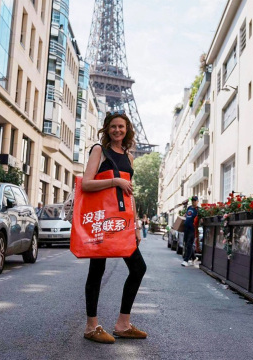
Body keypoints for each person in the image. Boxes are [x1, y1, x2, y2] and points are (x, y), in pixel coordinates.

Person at [81, 110, 147, 344]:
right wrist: (115, 180)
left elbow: (129, 195)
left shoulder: (128, 157)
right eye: (113, 127)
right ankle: (91, 327)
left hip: (122, 222)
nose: (117, 130)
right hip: (102, 221)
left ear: (127, 129)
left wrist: (136, 225)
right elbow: (86, 184)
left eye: (122, 127)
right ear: (107, 129)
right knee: (96, 271)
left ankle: (123, 324)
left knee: (138, 268)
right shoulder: (99, 150)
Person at [181, 196, 199, 267]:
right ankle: (194, 258)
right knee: (186, 243)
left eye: (195, 201)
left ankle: (186, 260)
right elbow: (186, 215)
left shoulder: (198, 209)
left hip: (192, 229)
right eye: (192, 201)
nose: (193, 202)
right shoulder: (189, 208)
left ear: (197, 201)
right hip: (186, 228)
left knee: (189, 244)